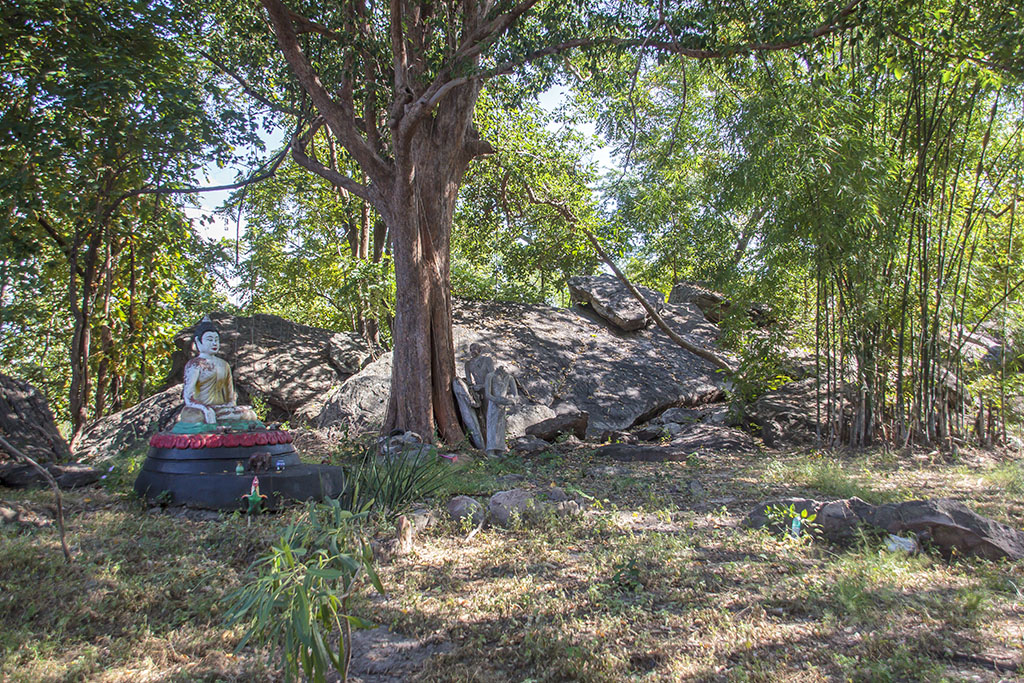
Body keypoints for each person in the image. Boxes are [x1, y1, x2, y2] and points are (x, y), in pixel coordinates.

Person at [177, 316, 259, 426]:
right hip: (200, 409)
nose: (214, 343)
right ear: (198, 341)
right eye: (210, 340)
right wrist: (205, 409)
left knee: (250, 414)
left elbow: (230, 397)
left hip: (220, 409)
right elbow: (188, 397)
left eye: (216, 340)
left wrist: (228, 406)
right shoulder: (195, 364)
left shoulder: (223, 365)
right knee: (195, 416)